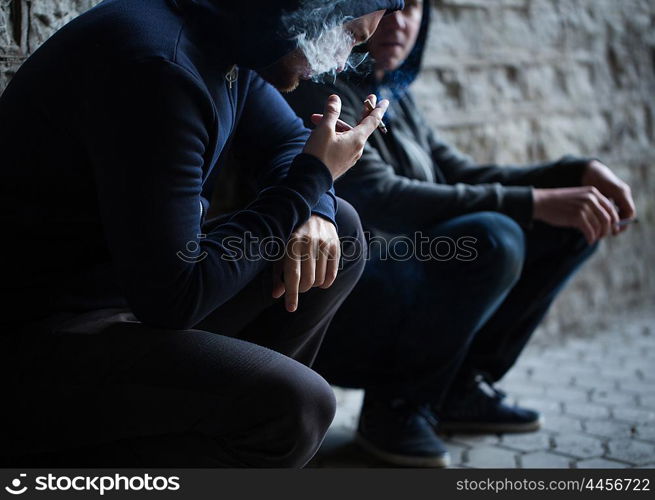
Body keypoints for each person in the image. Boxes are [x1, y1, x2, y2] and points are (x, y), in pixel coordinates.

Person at [0, 0, 401, 467]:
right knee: (294, 406)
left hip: (119, 302)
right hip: (38, 344)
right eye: (350, 37)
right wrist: (313, 177)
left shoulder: (227, 34)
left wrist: (316, 203)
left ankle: (218, 425)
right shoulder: (161, 68)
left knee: (340, 232)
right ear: (309, 6)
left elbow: (290, 141)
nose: (340, 63)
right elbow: (174, 297)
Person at [285, 0, 637, 467]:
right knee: (493, 238)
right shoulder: (321, 87)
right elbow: (379, 196)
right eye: (386, 7)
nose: (399, 22)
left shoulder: (393, 93)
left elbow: (455, 172)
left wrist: (573, 175)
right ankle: (396, 408)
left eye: (412, 8)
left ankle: (455, 391)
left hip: (396, 285)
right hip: (334, 300)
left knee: (573, 223)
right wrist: (534, 202)